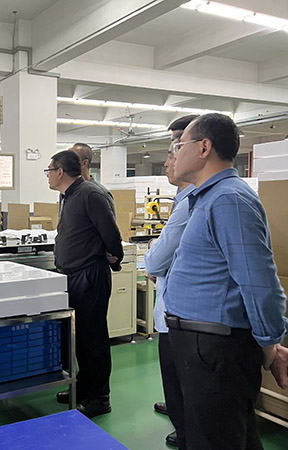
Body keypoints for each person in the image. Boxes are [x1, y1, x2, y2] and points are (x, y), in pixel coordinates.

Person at [164, 113, 288, 450]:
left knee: (216, 439)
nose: (174, 154)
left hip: (215, 348)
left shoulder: (229, 199)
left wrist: (270, 345)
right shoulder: (207, 198)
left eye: (179, 145)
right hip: (202, 345)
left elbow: (259, 283)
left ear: (204, 148)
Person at [46, 150, 124, 418]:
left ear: (60, 172)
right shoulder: (68, 196)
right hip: (72, 276)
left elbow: (111, 234)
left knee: (93, 338)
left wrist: (115, 257)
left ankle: (100, 398)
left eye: (48, 170)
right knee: (78, 338)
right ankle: (84, 387)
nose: (47, 175)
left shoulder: (91, 194)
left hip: (90, 276)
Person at [144, 114, 198, 448]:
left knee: (179, 373)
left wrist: (154, 252)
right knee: (176, 375)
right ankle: (181, 412)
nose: (168, 161)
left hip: (184, 315)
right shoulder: (185, 197)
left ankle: (185, 424)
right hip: (176, 308)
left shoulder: (198, 199)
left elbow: (159, 258)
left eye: (175, 150)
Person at [69, 143, 115, 216]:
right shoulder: (67, 192)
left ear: (84, 163)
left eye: (71, 161)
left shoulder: (99, 193)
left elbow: (108, 222)